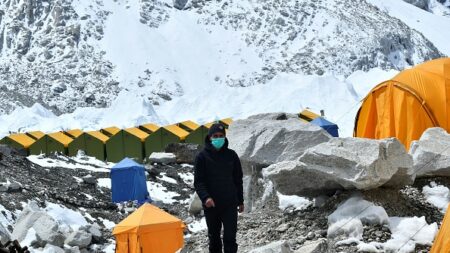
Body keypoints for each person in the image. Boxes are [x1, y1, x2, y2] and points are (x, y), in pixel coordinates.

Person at [194, 123, 244, 253]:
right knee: (214, 238)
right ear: (210, 137)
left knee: (230, 238)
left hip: (230, 204)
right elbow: (199, 182)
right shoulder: (202, 157)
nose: (218, 138)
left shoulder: (232, 155)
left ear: (225, 137)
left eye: (221, 136)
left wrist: (241, 200)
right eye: (215, 136)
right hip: (211, 206)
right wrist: (206, 198)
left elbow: (238, 179)